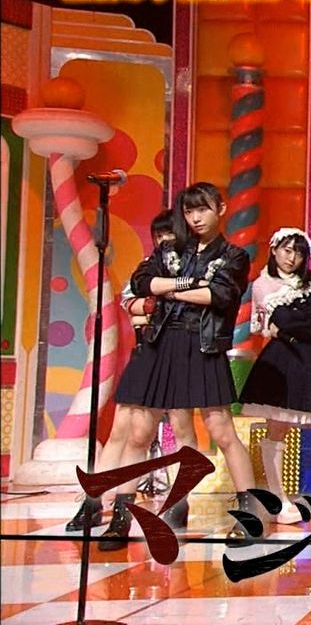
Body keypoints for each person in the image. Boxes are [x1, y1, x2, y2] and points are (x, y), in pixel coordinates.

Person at [110, 183, 256, 547]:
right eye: (189, 211)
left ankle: (249, 515)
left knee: (222, 430)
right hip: (161, 343)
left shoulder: (235, 255)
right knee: (140, 432)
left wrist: (169, 290)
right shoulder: (170, 249)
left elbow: (220, 295)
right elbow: (141, 282)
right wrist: (185, 283)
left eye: (203, 209)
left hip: (202, 346)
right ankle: (119, 518)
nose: (195, 218)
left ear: (221, 208)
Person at [65, 209, 197, 534]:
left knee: (181, 429)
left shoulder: (194, 266)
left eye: (170, 234)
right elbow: (132, 304)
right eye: (159, 236)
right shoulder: (148, 267)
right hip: (146, 354)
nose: (164, 241)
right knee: (121, 431)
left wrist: (156, 302)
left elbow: (188, 308)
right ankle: (94, 502)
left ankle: (181, 501)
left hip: (180, 355)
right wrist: (154, 303)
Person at [239, 227, 311, 523]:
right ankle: (278, 498)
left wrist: (297, 322)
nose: (292, 258)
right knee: (278, 424)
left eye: (299, 253)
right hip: (281, 360)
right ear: (274, 250)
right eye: (287, 250)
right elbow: (281, 319)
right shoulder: (264, 284)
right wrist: (301, 321)